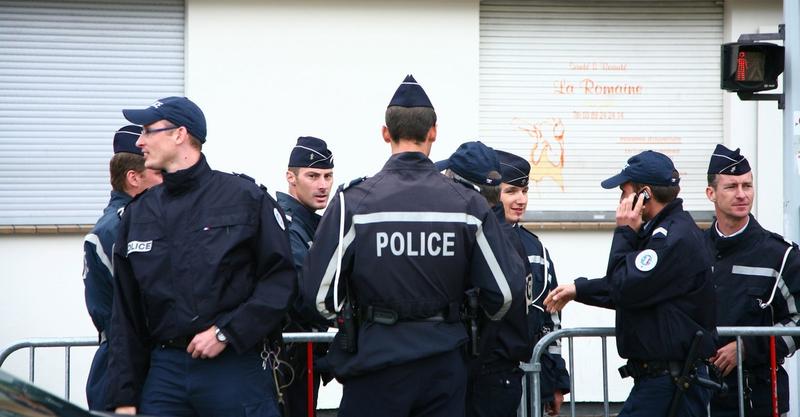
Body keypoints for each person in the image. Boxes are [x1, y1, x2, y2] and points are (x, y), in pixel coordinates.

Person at [301, 75, 519, 417]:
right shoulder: (469, 205)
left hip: (375, 363)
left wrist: (357, 320)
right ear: (433, 131)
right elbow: (503, 293)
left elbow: (319, 297)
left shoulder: (352, 203)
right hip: (444, 365)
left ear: (385, 133)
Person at [106, 96, 296, 417]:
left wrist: (227, 331)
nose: (139, 142)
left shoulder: (245, 198)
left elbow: (280, 282)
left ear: (179, 134)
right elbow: (125, 315)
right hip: (165, 373)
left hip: (233, 366)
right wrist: (123, 398)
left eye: (148, 131)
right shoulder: (138, 215)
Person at [543, 150, 717, 417]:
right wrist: (579, 289)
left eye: (624, 192)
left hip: (670, 382)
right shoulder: (664, 232)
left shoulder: (671, 238)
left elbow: (624, 286)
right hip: (663, 380)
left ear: (644, 194)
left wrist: (624, 231)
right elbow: (632, 287)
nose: (621, 200)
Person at [704, 144, 800, 417]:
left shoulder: (780, 255)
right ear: (711, 193)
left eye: (747, 185)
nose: (742, 194)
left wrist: (746, 347)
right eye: (731, 186)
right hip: (700, 397)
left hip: (757, 396)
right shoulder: (693, 251)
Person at [82, 125, 163, 410]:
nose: (167, 180)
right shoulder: (119, 227)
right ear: (133, 178)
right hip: (128, 365)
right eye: (158, 173)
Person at [494, 150, 570, 416]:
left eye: (524, 191)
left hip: (530, 377)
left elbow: (551, 319)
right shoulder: (474, 239)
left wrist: (556, 381)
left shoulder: (535, 246)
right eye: (511, 191)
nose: (521, 200)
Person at [276, 136, 334, 417]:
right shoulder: (287, 223)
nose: (323, 185)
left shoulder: (312, 221)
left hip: (304, 350)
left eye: (328, 176)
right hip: (290, 355)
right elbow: (306, 291)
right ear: (291, 177)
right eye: (312, 175)